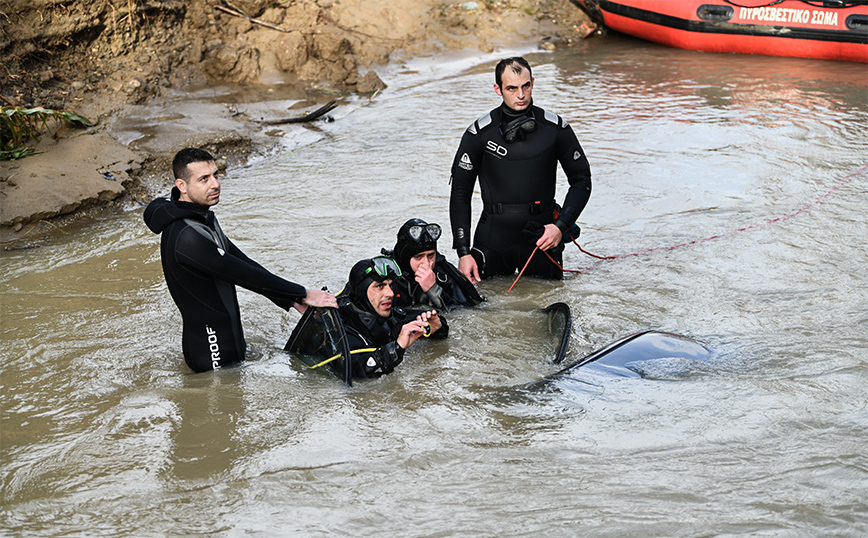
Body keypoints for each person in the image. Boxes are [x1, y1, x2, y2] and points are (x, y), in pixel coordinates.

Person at [143, 147, 336, 372]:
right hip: (211, 356)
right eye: (203, 179)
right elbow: (243, 275)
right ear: (182, 186)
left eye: (216, 174)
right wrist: (302, 293)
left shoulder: (200, 218)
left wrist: (291, 300)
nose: (215, 184)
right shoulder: (188, 237)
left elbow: (243, 262)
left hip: (229, 345)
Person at [449, 56, 592, 282]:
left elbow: (582, 180)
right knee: (486, 313)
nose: (521, 94)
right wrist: (463, 252)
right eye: (512, 88)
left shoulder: (555, 129)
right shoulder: (479, 134)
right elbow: (460, 194)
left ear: (533, 82)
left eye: (526, 86)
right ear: (498, 89)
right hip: (492, 240)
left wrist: (559, 227)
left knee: (548, 304)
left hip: (543, 238)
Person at [338, 256, 447, 378]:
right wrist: (397, 348)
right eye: (380, 286)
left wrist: (436, 328)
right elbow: (353, 372)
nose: (390, 293)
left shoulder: (391, 315)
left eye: (390, 285)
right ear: (362, 291)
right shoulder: (340, 328)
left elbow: (429, 320)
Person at [384, 218, 484, 310]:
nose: (427, 264)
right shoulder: (386, 276)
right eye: (418, 257)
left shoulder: (443, 272)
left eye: (431, 255)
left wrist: (433, 290)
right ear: (404, 258)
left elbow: (467, 310)